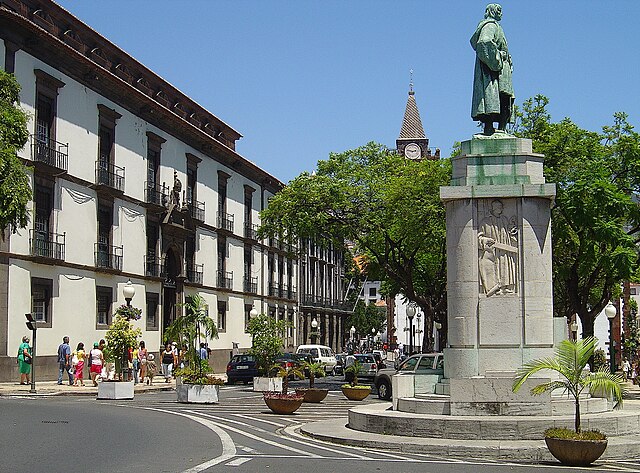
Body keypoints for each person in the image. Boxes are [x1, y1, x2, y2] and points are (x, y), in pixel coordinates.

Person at [470, 3, 514, 135]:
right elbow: (484, 42)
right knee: (496, 96)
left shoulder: (495, 26)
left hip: (496, 70)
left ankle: (501, 128)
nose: (501, 13)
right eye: (498, 10)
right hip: (493, 71)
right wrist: (497, 60)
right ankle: (492, 128)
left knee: (503, 97)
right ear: (491, 11)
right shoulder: (490, 25)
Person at [478, 199, 518, 296]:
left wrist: (512, 232)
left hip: (505, 250)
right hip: (492, 252)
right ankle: (495, 288)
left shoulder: (504, 219)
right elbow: (479, 237)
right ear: (493, 208)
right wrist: (485, 240)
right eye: (498, 207)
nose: (501, 209)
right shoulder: (485, 221)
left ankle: (506, 287)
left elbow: (509, 233)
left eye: (501, 207)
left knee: (505, 267)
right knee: (494, 268)